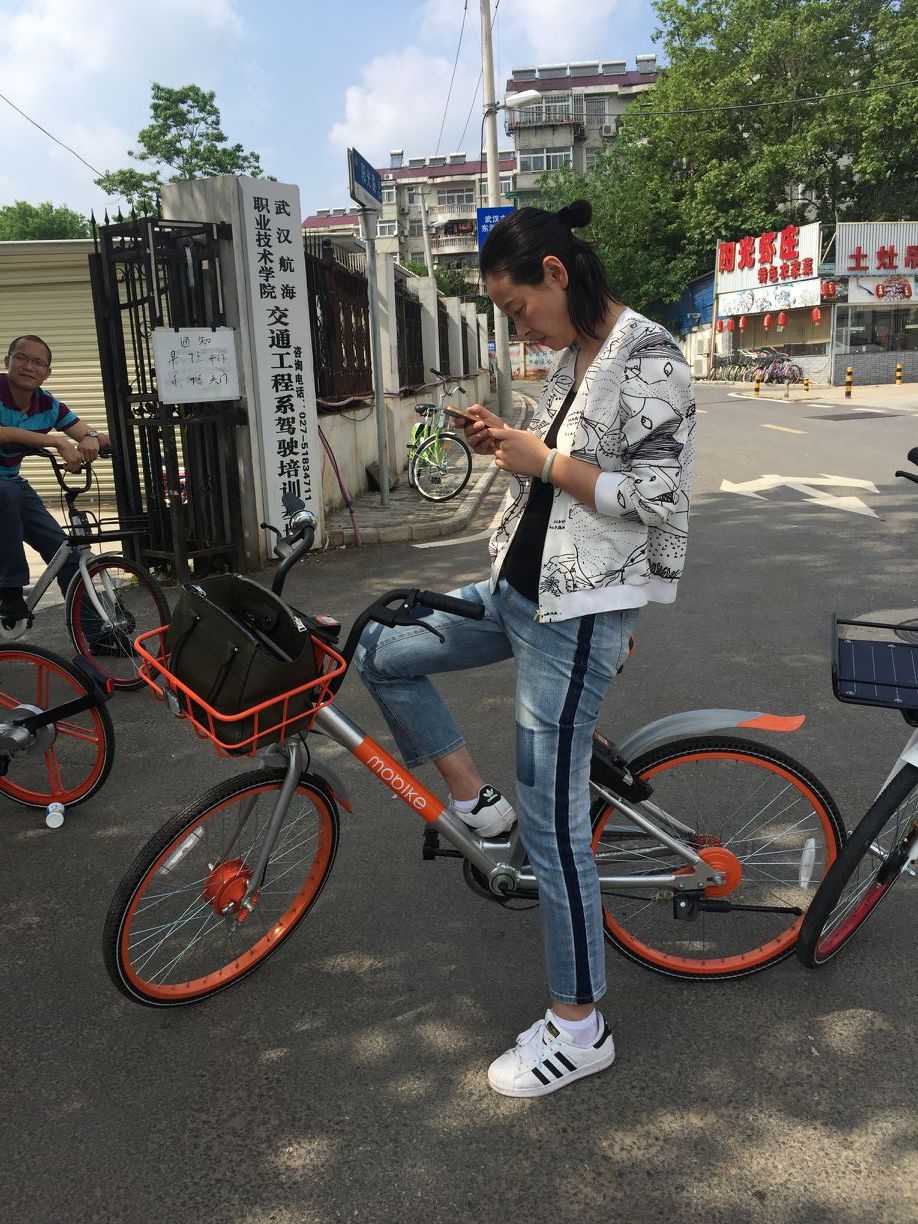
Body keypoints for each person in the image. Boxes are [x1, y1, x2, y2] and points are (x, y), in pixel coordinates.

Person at [356, 200, 695, 1097]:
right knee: (382, 649)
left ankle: (579, 1028)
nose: (519, 329)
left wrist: (539, 460)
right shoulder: (577, 356)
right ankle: (477, 805)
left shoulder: (650, 353)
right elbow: (553, 471)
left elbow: (655, 497)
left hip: (572, 615)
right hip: (517, 588)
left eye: (517, 309)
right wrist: (505, 446)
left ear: (555, 272)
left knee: (554, 828)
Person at [0, 334, 111, 626]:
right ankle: (9, 589)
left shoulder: (48, 405)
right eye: (21, 358)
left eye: (38, 362)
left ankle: (97, 636)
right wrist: (57, 442)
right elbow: (4, 434)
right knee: (7, 493)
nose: (29, 366)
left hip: (10, 483)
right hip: (5, 490)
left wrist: (92, 438)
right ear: (7, 361)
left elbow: (90, 433)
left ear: (47, 373)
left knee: (67, 554)